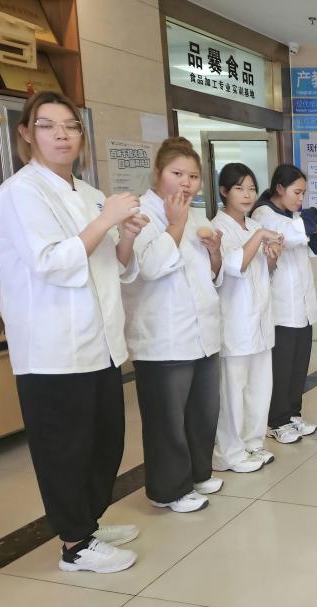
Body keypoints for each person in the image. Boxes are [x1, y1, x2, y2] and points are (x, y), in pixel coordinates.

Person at [0, 91, 146, 573]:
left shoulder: (90, 193)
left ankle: (88, 523)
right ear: (26, 133)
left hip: (100, 344)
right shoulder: (19, 194)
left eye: (70, 126)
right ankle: (75, 543)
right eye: (47, 125)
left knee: (105, 442)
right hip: (53, 348)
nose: (61, 135)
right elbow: (51, 263)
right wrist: (107, 219)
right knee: (65, 449)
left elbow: (114, 266)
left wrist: (126, 235)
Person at [123, 137, 226, 513]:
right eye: (177, 173)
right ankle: (169, 489)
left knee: (203, 410)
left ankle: (198, 473)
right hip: (162, 336)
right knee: (167, 418)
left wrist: (215, 253)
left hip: (203, 330)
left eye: (193, 176)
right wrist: (175, 225)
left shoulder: (198, 216)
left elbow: (211, 274)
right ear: (158, 173)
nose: (186, 182)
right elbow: (147, 268)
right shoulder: (139, 214)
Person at [211, 163, 285, 472]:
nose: (248, 195)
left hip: (260, 322)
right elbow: (233, 265)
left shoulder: (253, 225)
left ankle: (253, 442)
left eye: (252, 188)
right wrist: (260, 237)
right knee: (233, 393)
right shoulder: (217, 227)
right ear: (224, 192)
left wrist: (272, 258)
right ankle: (228, 452)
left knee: (259, 388)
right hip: (235, 324)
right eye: (240, 188)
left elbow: (263, 272)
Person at [252, 164, 317, 442]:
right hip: (281, 307)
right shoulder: (263, 214)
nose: (301, 198)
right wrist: (311, 219)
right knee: (281, 367)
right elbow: (288, 235)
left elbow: (307, 243)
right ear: (279, 188)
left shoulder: (292, 216)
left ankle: (293, 413)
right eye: (297, 192)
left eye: (304, 193)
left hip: (302, 304)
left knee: (298, 364)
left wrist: (314, 228)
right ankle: (276, 421)